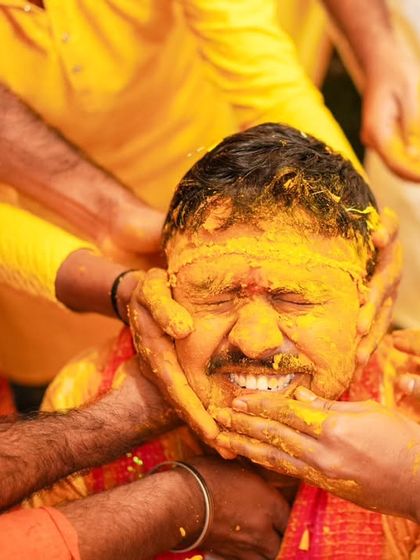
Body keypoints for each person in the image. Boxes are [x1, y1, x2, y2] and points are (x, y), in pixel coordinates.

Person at [27, 123, 419, 558]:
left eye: (293, 299)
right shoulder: (90, 394)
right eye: (215, 297)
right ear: (163, 298)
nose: (253, 342)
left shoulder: (411, 408)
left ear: (372, 304)